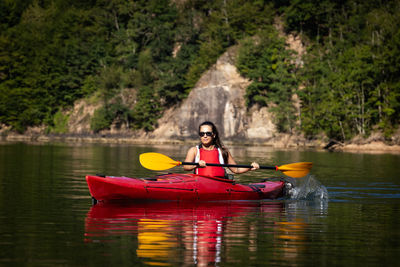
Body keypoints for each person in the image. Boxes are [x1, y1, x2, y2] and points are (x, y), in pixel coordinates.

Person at [183, 121, 259, 177]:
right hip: (200, 183)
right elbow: (186, 167)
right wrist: (196, 165)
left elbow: (236, 170)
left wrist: (250, 167)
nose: (205, 136)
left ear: (214, 135)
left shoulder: (223, 151)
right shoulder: (194, 150)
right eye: (202, 134)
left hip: (220, 184)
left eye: (208, 133)